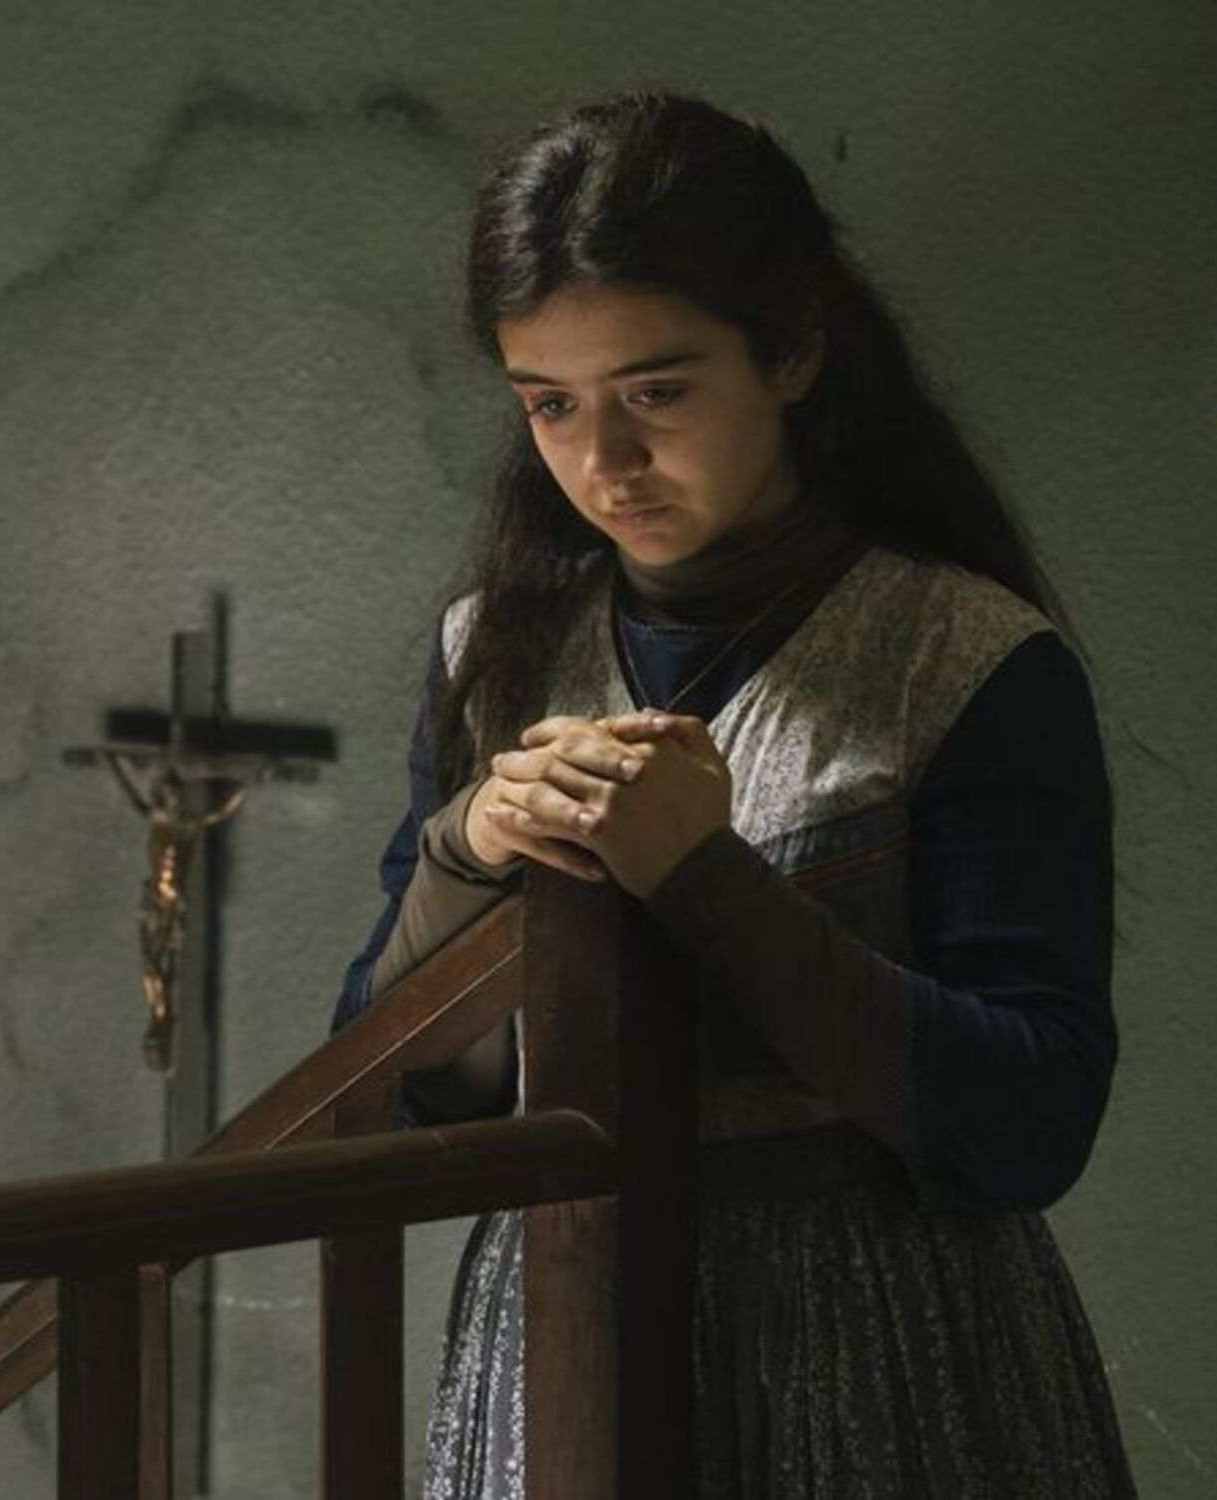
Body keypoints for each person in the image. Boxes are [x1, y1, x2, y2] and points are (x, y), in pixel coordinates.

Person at [329, 92, 1137, 1496]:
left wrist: (704, 875)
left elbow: (1030, 1121)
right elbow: (393, 1103)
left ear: (795, 351)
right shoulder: (493, 651)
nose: (603, 463)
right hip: (559, 1333)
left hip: (888, 1350)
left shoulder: (962, 658)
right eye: (550, 405)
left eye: (656, 392)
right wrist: (469, 847)